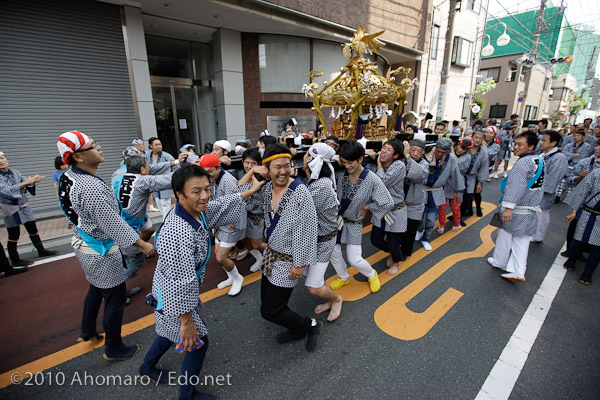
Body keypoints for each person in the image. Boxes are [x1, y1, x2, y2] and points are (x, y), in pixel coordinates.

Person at [139, 164, 263, 399]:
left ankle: (147, 367)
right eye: (197, 191)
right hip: (172, 293)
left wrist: (251, 190)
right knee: (197, 339)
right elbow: (179, 282)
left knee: (168, 331)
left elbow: (222, 203)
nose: (205, 196)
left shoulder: (196, 211)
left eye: (207, 189)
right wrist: (186, 321)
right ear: (179, 194)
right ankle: (186, 394)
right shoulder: (177, 232)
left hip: (171, 288)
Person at [56, 131, 155, 359]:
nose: (99, 147)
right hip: (99, 248)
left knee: (96, 287)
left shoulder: (70, 176)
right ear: (78, 157)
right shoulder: (90, 187)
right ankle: (114, 347)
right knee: (115, 297)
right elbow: (112, 223)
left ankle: (87, 331)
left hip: (83, 240)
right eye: (92, 145)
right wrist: (141, 244)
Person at [242, 144, 323, 350]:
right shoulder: (267, 188)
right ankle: (296, 328)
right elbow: (238, 194)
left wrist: (300, 263)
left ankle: (310, 325)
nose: (284, 171)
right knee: (272, 303)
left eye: (287, 166)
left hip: (288, 261)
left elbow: (307, 230)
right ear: (266, 168)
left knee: (270, 310)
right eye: (277, 167)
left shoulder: (300, 192)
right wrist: (252, 172)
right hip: (270, 256)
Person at [329, 141, 393, 292]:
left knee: (354, 259)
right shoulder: (339, 171)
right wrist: (334, 157)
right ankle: (343, 277)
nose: (347, 166)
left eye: (350, 162)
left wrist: (368, 207)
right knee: (332, 251)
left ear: (360, 159)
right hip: (337, 219)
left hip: (354, 222)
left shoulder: (372, 179)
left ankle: (371, 274)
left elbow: (387, 202)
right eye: (344, 162)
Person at [111, 155, 176, 301]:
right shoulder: (143, 181)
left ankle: (128, 260)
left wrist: (175, 162)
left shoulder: (118, 174)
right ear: (142, 169)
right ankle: (114, 288)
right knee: (138, 259)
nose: (150, 168)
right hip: (128, 226)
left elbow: (152, 169)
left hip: (122, 217)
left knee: (149, 230)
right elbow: (169, 180)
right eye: (148, 166)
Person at [487, 131, 545, 282]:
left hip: (518, 207)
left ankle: (500, 261)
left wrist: (508, 207)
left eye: (520, 144)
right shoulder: (539, 160)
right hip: (530, 207)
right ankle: (518, 270)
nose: (515, 147)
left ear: (531, 146)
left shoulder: (523, 162)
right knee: (522, 240)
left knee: (505, 235)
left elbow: (516, 186)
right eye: (515, 144)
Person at [300, 143, 343, 321]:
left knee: (312, 286)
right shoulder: (317, 181)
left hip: (323, 242)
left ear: (310, 159)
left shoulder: (320, 186)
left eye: (305, 155)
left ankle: (337, 299)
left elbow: (299, 213)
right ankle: (329, 297)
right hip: (316, 239)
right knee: (314, 279)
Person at [196, 154, 246, 296]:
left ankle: (237, 278)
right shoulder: (212, 179)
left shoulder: (228, 180)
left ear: (219, 167)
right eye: (204, 171)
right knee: (218, 253)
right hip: (220, 222)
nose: (207, 174)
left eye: (210, 171)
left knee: (220, 257)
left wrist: (232, 221)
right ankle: (232, 277)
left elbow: (238, 201)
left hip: (231, 223)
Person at [0, 151, 58, 267]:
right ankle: (15, 259)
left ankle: (41, 250)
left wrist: (33, 182)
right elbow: (7, 191)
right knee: (14, 234)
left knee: (32, 228)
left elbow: (26, 181)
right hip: (10, 207)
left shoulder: (15, 172)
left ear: (7, 160)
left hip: (23, 204)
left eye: (2, 158)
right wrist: (27, 182)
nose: (1, 161)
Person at [417, 138, 463, 251]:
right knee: (418, 215)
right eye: (438, 151)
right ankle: (419, 230)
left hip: (437, 190)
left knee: (431, 219)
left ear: (447, 151)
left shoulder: (451, 159)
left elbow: (456, 175)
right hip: (422, 189)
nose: (439, 154)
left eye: (443, 152)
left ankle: (426, 239)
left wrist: (457, 191)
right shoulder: (426, 153)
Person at [369, 139, 407, 275]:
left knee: (393, 242)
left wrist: (378, 164)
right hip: (382, 210)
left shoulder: (399, 166)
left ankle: (397, 262)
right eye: (383, 148)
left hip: (395, 211)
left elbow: (381, 183)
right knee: (375, 239)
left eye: (389, 149)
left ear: (395, 155)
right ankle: (393, 253)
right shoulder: (376, 164)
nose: (384, 151)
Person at [531, 130, 568, 243]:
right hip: (536, 188)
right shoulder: (543, 154)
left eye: (544, 140)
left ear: (553, 143)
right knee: (535, 212)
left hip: (544, 190)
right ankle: (534, 233)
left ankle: (538, 236)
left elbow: (554, 177)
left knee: (542, 212)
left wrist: (541, 189)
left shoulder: (559, 157)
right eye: (541, 140)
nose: (541, 143)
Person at [235, 148, 266, 272]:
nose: (249, 166)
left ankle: (275, 256)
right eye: (247, 163)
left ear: (259, 164)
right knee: (247, 242)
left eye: (253, 163)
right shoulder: (238, 173)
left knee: (256, 244)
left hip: (257, 215)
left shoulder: (262, 175)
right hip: (244, 215)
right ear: (242, 162)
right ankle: (260, 259)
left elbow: (239, 189)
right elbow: (237, 189)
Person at [400, 139, 429, 258]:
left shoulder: (424, 164)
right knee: (398, 230)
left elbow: (418, 175)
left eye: (419, 151)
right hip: (400, 203)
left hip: (415, 204)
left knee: (410, 231)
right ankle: (396, 250)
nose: (415, 153)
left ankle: (405, 253)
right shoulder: (400, 160)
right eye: (413, 150)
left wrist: (408, 157)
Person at [441, 139, 471, 232]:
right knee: (442, 206)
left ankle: (457, 224)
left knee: (455, 206)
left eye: (463, 149)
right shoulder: (448, 152)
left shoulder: (467, 157)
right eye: (459, 147)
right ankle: (441, 225)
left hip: (457, 182)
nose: (460, 150)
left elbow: (455, 164)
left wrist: (452, 150)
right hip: (446, 181)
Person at [461, 130, 489, 218]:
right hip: (461, 176)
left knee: (468, 198)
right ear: (472, 137)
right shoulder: (465, 147)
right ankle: (458, 216)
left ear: (483, 140)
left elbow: (483, 168)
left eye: (480, 138)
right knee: (456, 199)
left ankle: (460, 216)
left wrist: (480, 182)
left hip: (472, 177)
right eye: (476, 137)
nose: (477, 140)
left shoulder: (484, 152)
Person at [146, 137, 176, 218]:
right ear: (151, 146)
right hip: (154, 183)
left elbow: (175, 168)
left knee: (165, 204)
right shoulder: (147, 156)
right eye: (156, 145)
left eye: (160, 144)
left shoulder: (167, 156)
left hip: (165, 183)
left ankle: (168, 222)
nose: (159, 146)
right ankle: (165, 222)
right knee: (159, 203)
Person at [53, 156, 72, 229]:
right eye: (63, 164)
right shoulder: (56, 173)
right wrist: (57, 195)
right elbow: (55, 184)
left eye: (66, 163)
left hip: (71, 192)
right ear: (59, 166)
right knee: (66, 206)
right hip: (63, 193)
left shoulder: (70, 170)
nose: (65, 166)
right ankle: (70, 220)